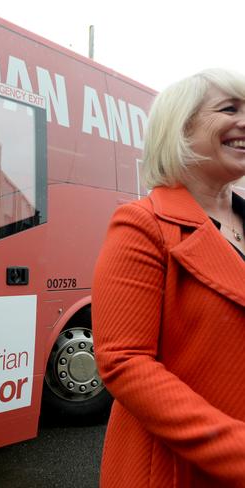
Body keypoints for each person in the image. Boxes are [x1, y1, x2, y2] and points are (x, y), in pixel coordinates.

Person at [92, 68, 245, 487]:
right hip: (178, 470)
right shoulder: (143, 224)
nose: (244, 120)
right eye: (229, 108)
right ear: (180, 127)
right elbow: (124, 362)